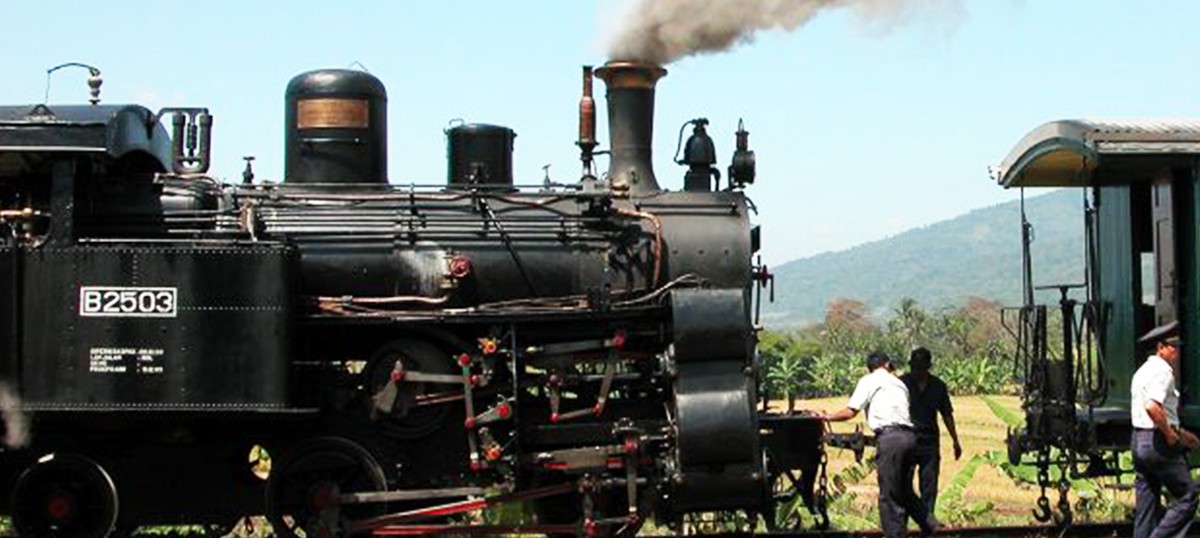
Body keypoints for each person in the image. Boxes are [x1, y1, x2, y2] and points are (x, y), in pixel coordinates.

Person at [821, 351, 937, 537]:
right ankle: (932, 526)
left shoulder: (869, 380)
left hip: (890, 439)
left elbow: (851, 412)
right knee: (905, 490)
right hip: (910, 438)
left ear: (870, 367)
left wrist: (826, 417)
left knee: (889, 494)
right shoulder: (899, 383)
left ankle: (895, 534)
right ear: (887, 364)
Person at [1131, 320, 1200, 538]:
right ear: (1161, 348)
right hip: (1157, 443)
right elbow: (1152, 407)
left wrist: (1182, 433)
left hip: (1139, 440)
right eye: (1173, 346)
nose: (1177, 351)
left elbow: (1156, 413)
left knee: (1147, 504)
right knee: (1188, 495)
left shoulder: (1142, 371)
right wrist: (1170, 435)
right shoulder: (1163, 372)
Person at [900, 347, 962, 520]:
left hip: (929, 441)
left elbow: (947, 414)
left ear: (928, 367)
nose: (917, 372)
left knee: (929, 485)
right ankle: (902, 523)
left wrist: (955, 440)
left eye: (921, 368)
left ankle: (927, 521)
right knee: (904, 484)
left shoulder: (938, 386)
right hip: (907, 440)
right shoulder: (901, 384)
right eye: (915, 368)